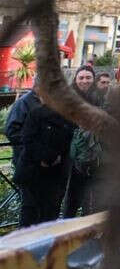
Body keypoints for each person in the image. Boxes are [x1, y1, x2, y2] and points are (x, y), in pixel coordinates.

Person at [13, 91, 75, 227]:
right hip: (33, 173)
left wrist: (57, 158)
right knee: (30, 214)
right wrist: (47, 158)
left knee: (50, 214)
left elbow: (68, 140)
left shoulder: (67, 117)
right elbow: (27, 139)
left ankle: (46, 246)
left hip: (56, 175)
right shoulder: (35, 114)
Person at [62, 65, 100, 217]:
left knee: (92, 198)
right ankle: (68, 230)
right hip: (72, 156)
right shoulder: (68, 98)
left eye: (88, 77)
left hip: (96, 155)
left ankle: (89, 230)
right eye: (81, 77)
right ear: (76, 79)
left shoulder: (99, 97)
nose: (85, 81)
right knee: (72, 197)